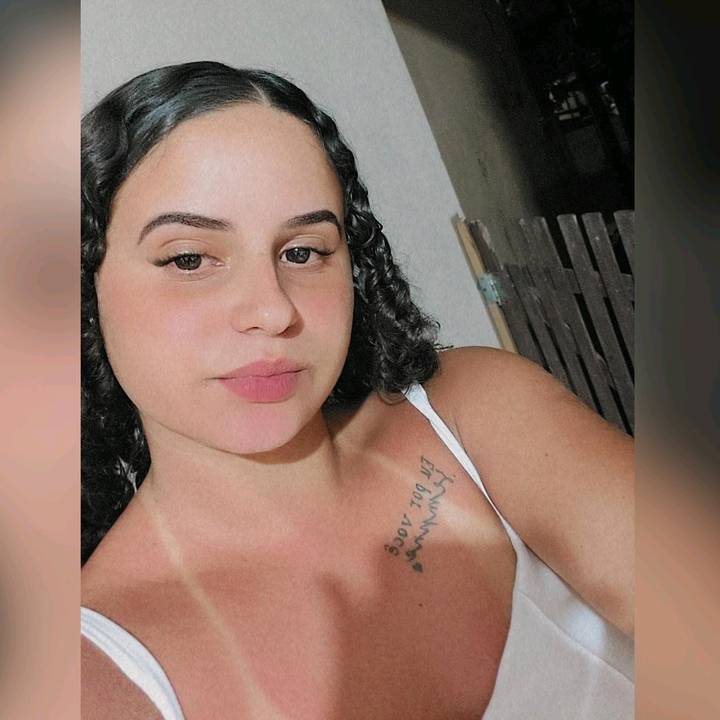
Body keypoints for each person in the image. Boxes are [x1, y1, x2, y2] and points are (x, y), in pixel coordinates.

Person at [81, 61, 634, 719]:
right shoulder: (89, 674)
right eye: (189, 259)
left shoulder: (475, 410)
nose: (273, 311)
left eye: (303, 252)